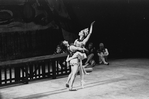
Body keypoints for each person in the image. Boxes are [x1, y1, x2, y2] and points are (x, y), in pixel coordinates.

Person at [68, 21, 95, 88]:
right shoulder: (76, 40)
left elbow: (90, 33)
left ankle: (76, 82)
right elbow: (73, 48)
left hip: (81, 55)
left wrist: (91, 25)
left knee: (77, 54)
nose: (79, 32)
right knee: (77, 71)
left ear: (82, 34)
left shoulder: (84, 40)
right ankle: (78, 82)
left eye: (80, 32)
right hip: (76, 57)